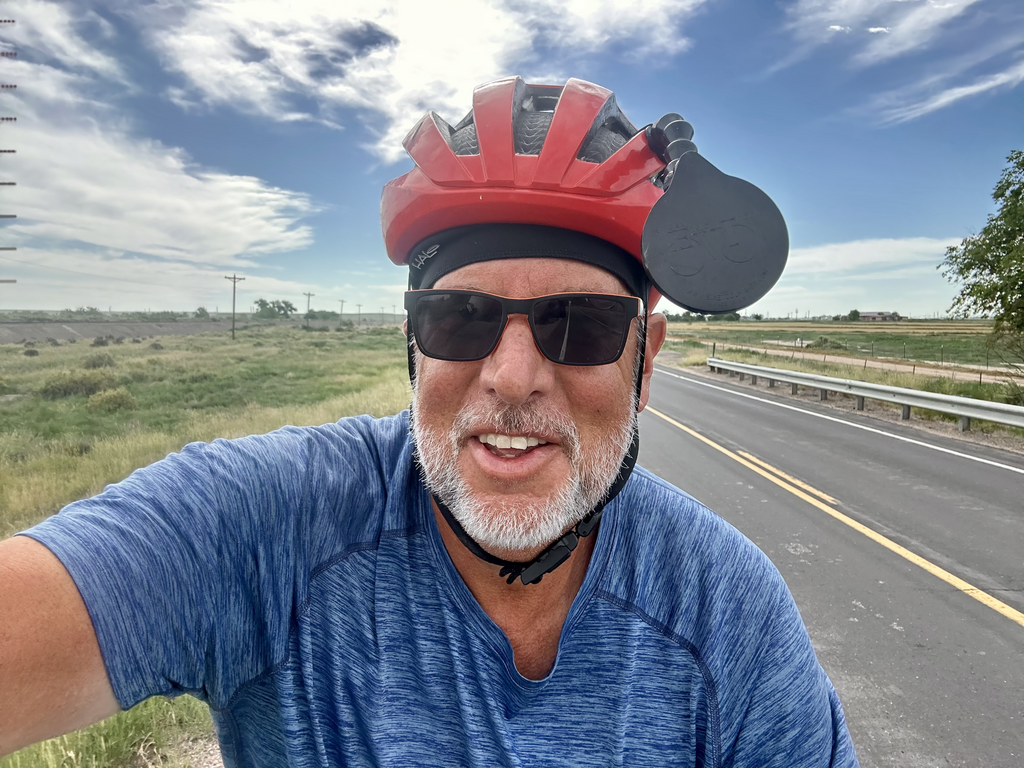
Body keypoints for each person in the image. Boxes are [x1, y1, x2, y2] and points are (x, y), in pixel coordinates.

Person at [0, 76, 858, 766]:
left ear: (646, 360)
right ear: (413, 343)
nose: (513, 377)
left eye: (581, 325)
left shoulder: (725, 614)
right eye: (461, 318)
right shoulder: (268, 527)